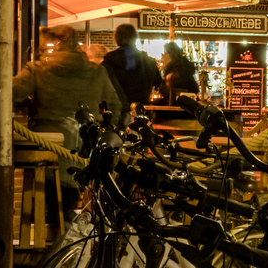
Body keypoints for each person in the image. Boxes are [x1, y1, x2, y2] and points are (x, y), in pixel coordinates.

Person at [13, 25, 123, 224]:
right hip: (80, 154)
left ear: (54, 44)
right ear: (78, 45)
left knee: (39, 204)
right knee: (66, 209)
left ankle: (40, 232)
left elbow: (11, 92)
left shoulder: (37, 69)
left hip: (41, 152)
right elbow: (114, 106)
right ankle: (61, 234)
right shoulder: (96, 73)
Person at [101, 23, 162, 114]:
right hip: (142, 111)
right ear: (135, 38)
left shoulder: (108, 62)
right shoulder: (149, 61)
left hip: (117, 113)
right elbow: (159, 83)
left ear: (117, 38)